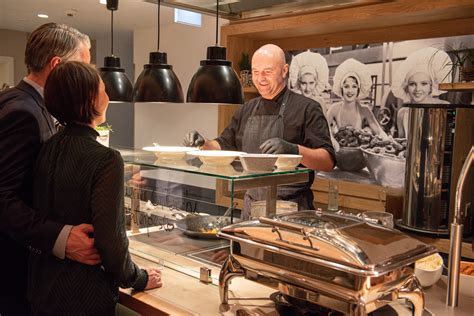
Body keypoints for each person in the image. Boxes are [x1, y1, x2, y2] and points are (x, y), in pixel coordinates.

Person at [28, 61, 162, 315]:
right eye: (104, 90)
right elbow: (111, 243)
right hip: (82, 296)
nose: (108, 97)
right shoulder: (107, 159)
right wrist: (140, 278)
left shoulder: (47, 146)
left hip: (42, 287)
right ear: (91, 99)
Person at [0, 23, 101, 314]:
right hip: (13, 274)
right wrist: (62, 239)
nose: (89, 78)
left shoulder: (20, 101)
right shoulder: (23, 112)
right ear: (57, 65)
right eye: (83, 68)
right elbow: (3, 198)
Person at [184, 44, 335, 219]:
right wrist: (203, 143)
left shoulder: (307, 109)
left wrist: (295, 150)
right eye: (256, 72)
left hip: (291, 210)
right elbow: (223, 144)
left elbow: (328, 161)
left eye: (267, 72)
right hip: (252, 207)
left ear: (284, 70)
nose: (260, 78)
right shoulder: (247, 109)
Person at [392, 47, 451, 138]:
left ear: (431, 86)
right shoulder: (402, 114)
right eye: (412, 84)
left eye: (424, 83)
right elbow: (402, 144)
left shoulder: (445, 108)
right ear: (406, 87)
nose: (417, 89)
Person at [327, 58, 387, 139]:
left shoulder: (365, 110)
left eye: (354, 86)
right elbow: (324, 130)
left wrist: (388, 139)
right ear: (341, 88)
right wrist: (331, 138)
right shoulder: (334, 109)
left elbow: (379, 132)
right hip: (338, 151)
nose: (350, 91)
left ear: (358, 90)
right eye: (346, 86)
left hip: (359, 151)